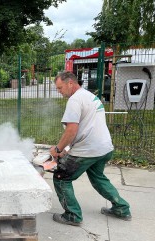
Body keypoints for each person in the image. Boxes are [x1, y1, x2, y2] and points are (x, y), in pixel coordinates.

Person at [49, 71, 131, 226]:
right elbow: (86, 127)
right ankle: (122, 208)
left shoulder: (74, 100)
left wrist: (58, 149)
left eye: (60, 88)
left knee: (61, 177)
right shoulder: (89, 96)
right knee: (98, 178)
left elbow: (71, 130)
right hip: (104, 147)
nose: (59, 92)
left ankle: (72, 215)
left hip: (89, 150)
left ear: (70, 83)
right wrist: (68, 147)